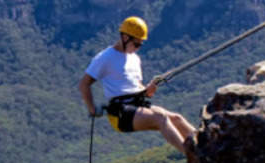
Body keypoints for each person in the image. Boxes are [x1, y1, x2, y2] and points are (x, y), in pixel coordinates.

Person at [79, 16, 196, 155]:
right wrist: (92, 109)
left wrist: (148, 90)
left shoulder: (134, 59)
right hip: (120, 113)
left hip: (136, 106)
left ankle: (203, 146)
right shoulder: (105, 57)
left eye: (140, 45)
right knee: (161, 118)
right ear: (125, 37)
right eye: (136, 44)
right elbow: (84, 84)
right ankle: (192, 158)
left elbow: (138, 89)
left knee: (177, 119)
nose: (137, 48)